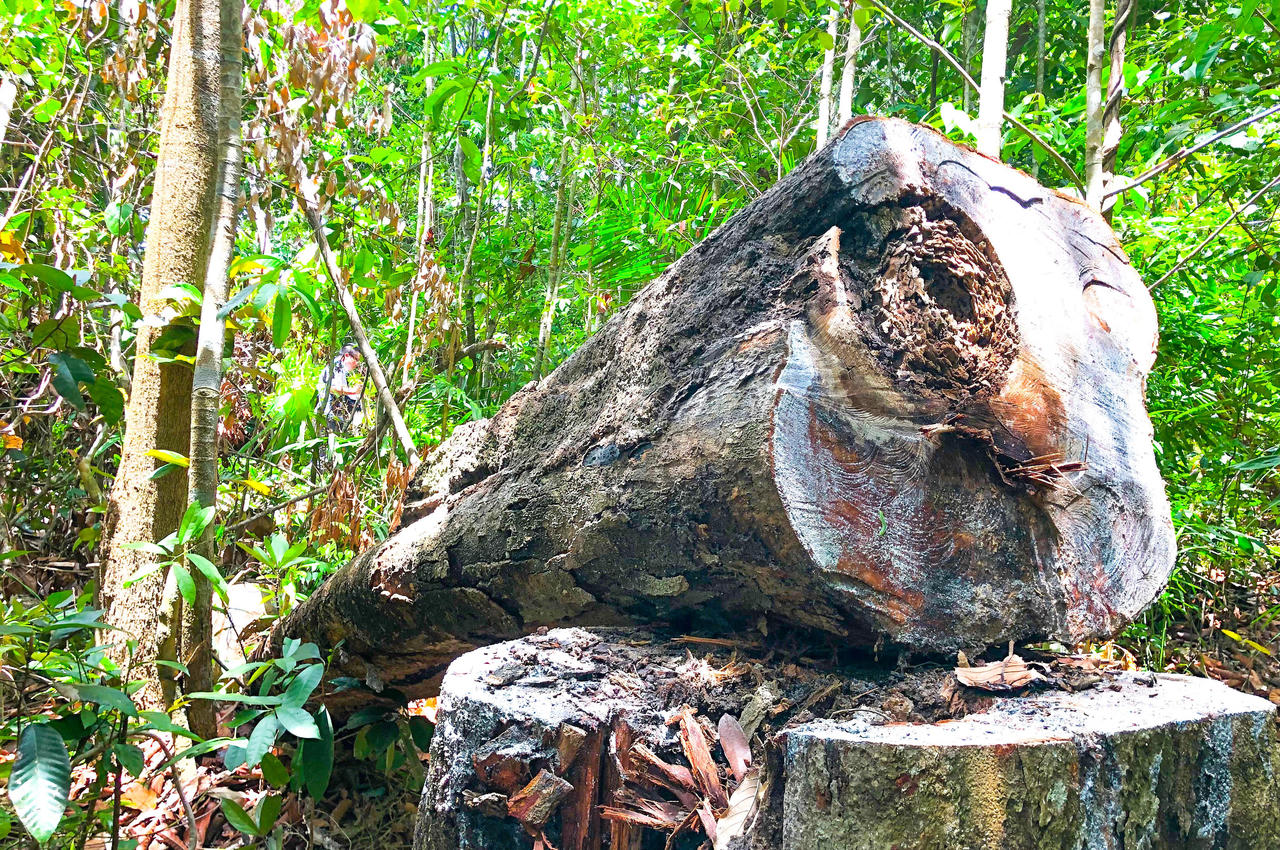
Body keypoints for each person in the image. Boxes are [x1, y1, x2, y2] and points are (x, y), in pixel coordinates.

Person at [315, 344, 365, 432]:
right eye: (356, 359)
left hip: (337, 415)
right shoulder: (336, 365)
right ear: (347, 355)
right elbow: (331, 388)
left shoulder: (343, 369)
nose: (357, 363)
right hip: (328, 413)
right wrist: (352, 391)